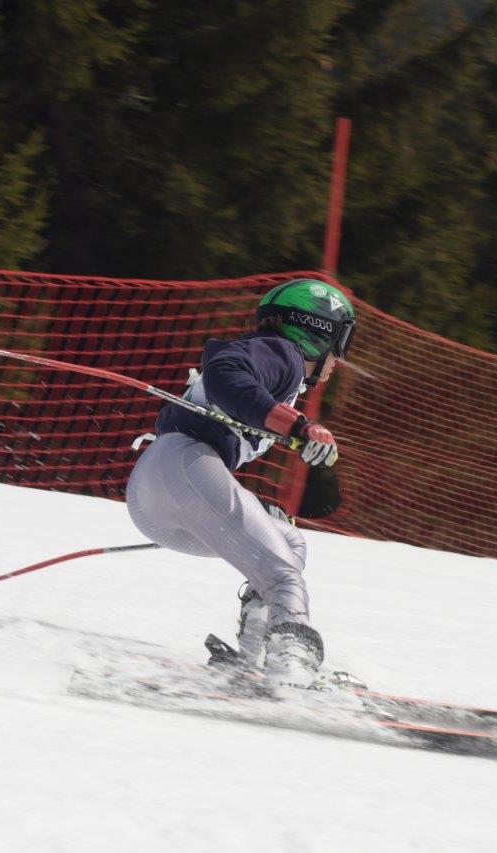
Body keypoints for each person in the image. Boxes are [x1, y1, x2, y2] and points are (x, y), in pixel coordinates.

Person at [125, 278, 355, 690]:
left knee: (288, 543)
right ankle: (293, 668)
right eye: (342, 341)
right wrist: (298, 425)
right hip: (184, 465)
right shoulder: (282, 354)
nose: (339, 358)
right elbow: (225, 373)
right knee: (283, 575)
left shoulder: (275, 365)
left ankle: (252, 658)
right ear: (317, 333)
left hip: (162, 485)